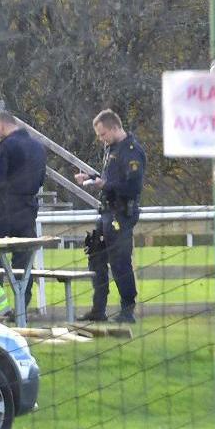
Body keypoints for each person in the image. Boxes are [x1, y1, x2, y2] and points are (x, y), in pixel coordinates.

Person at [74, 109, 146, 323]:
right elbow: (109, 178)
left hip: (121, 213)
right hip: (106, 211)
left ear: (115, 128)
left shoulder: (132, 151)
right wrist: (91, 177)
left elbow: (133, 186)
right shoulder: (111, 148)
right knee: (95, 254)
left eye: (103, 133)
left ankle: (127, 309)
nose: (100, 138)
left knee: (120, 262)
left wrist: (105, 184)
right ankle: (98, 309)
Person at [0, 110, 47, 321]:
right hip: (29, 206)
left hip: (7, 206)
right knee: (24, 259)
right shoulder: (38, 147)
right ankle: (21, 308)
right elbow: (41, 179)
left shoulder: (6, 146)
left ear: (2, 126)